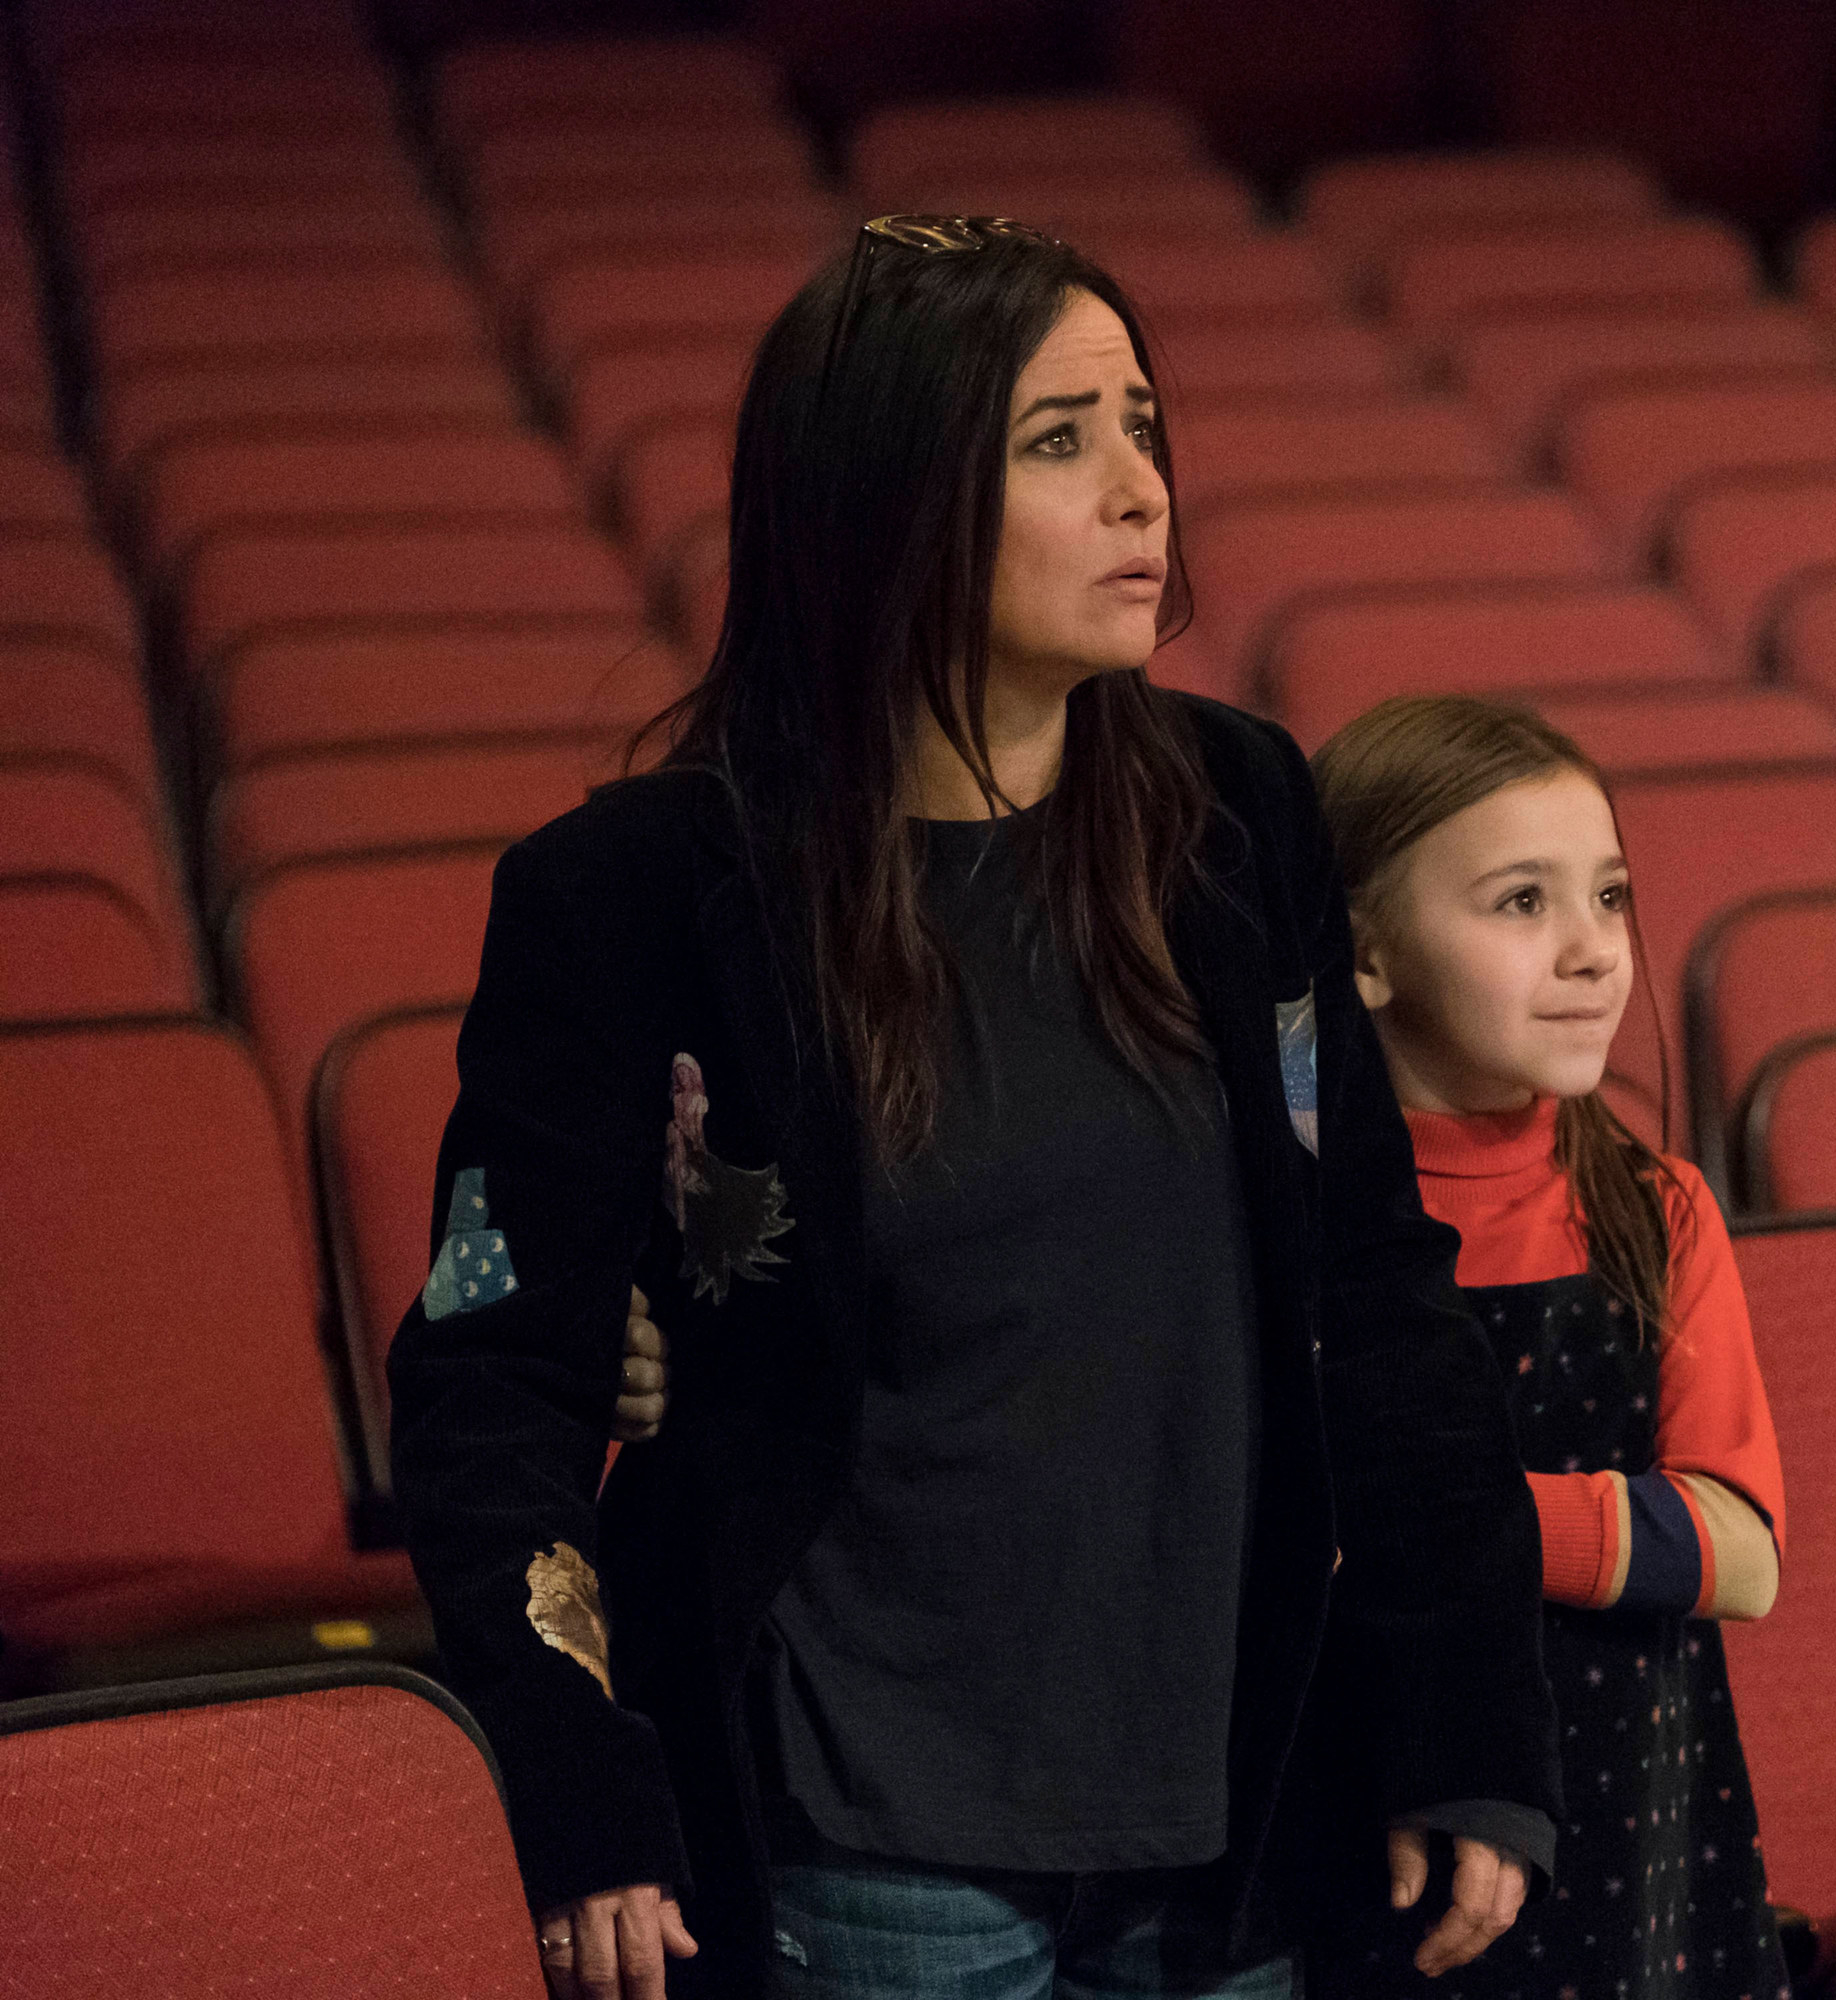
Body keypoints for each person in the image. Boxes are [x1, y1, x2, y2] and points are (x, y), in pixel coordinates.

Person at [385, 216, 1557, 2000]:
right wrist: (578, 1787)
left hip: (1230, 1805)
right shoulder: (637, 892)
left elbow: (1374, 1289)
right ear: (882, 503)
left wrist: (1463, 1710)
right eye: (1059, 442)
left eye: (1145, 426)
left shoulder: (1238, 813)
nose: (1143, 493)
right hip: (862, 1824)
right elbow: (494, 1382)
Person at [1300, 697, 1795, 2000]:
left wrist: (1450, 1527)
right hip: (1376, 1801)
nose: (1593, 952)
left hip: (1638, 1818)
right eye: (1522, 903)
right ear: (1366, 951)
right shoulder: (1286, 1227)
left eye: (1613, 896)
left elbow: (1738, 1549)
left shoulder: (1657, 1206)